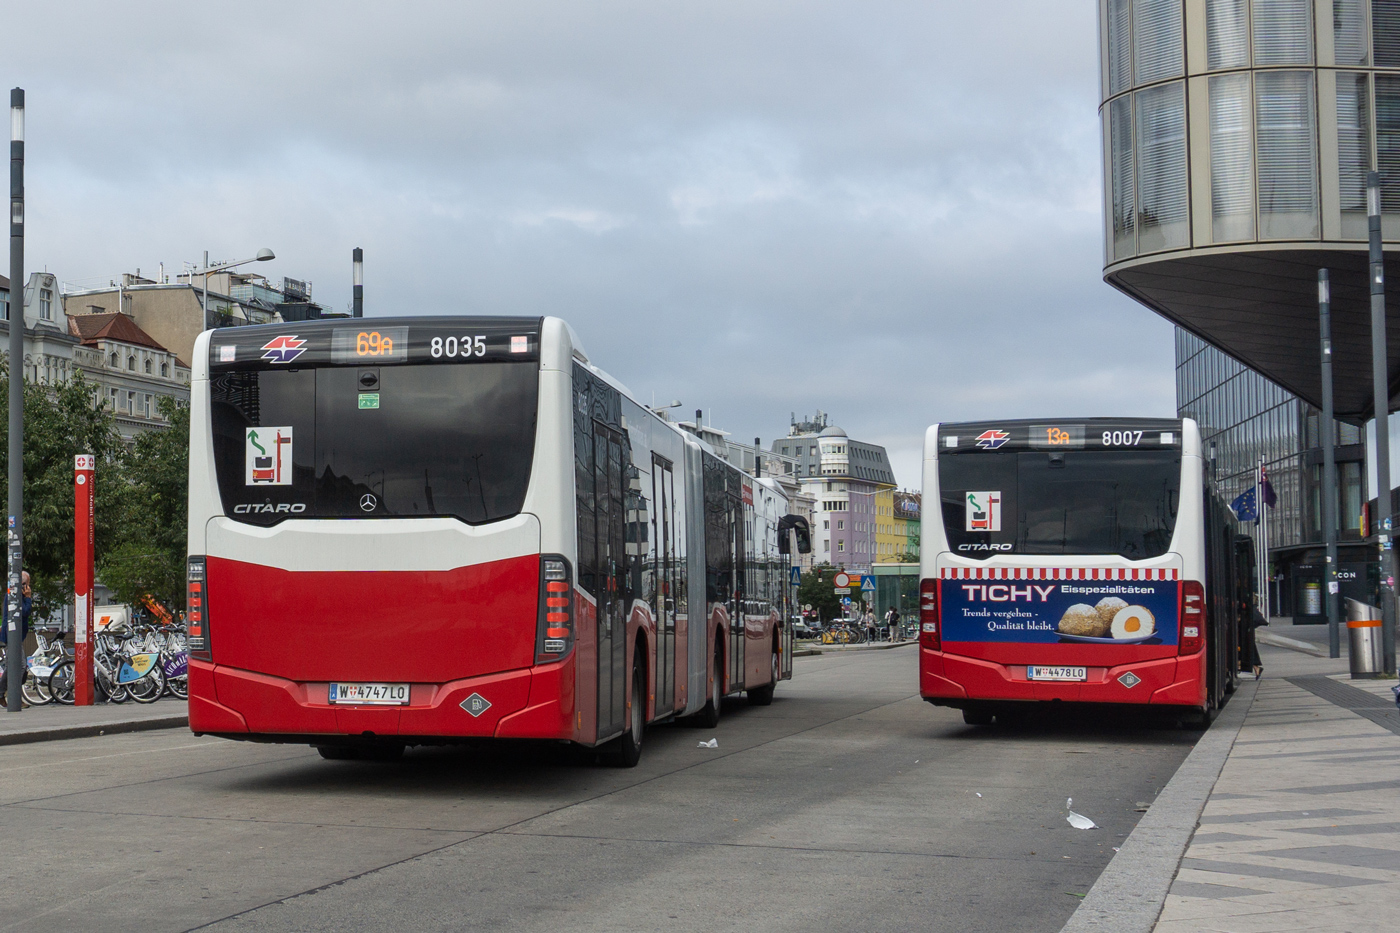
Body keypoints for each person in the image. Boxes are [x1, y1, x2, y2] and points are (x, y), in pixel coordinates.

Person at [0, 571, 33, 706]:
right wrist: (28, 597)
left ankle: (4, 693)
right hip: (12, 636)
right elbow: (25, 611)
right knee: (20, 665)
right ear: (23, 584)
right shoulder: (15, 595)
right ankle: (13, 695)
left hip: (13, 635)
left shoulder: (14, 594)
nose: (29, 588)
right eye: (27, 585)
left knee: (12, 665)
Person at [1238, 595, 1264, 679]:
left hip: (1244, 626)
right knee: (1247, 645)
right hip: (1246, 626)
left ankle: (1254, 666)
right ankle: (1255, 667)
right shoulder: (1246, 596)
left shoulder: (1243, 598)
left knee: (1245, 645)